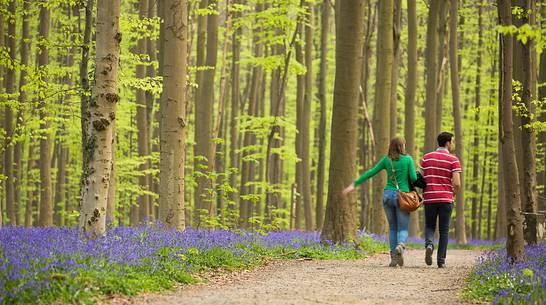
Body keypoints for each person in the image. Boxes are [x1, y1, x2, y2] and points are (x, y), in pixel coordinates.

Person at [343, 137, 417, 267]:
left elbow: (371, 172)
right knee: (403, 227)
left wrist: (354, 184)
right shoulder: (408, 159)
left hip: (387, 195)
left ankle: (393, 258)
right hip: (403, 197)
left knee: (393, 227)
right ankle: (400, 246)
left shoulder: (386, 160)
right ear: (401, 147)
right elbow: (414, 178)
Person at [420, 132, 462, 268]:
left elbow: (419, 178)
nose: (453, 144)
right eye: (452, 142)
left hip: (430, 198)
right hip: (445, 199)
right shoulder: (453, 160)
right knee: (444, 230)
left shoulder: (426, 158)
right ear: (448, 143)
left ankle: (429, 245)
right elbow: (456, 183)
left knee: (429, 226)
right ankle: (441, 261)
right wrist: (453, 194)